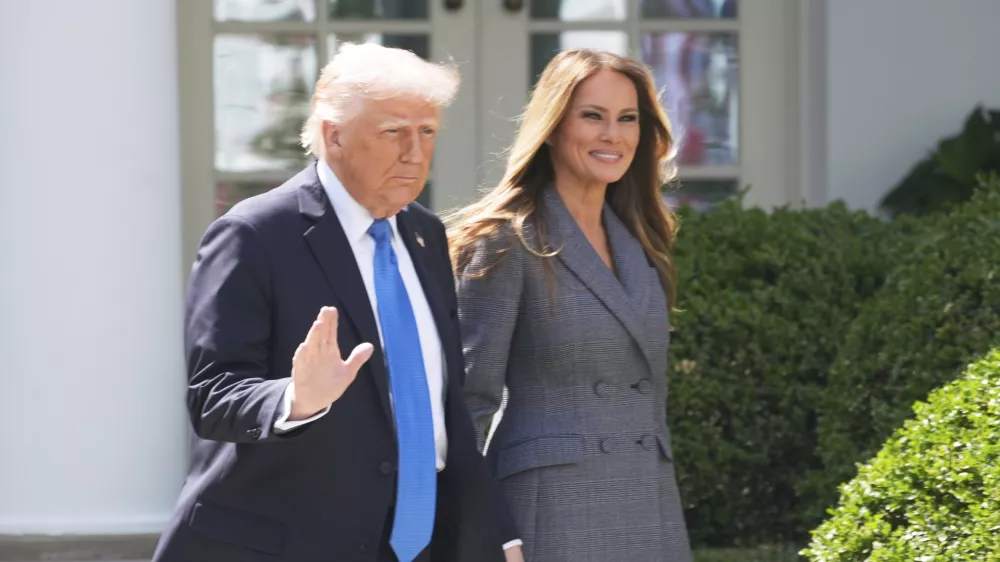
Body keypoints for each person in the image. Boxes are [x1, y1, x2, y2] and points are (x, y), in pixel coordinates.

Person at [153, 42, 522, 562]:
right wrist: (295, 399)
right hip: (286, 543)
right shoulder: (253, 234)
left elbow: (443, 405)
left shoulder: (425, 234)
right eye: (393, 132)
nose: (414, 153)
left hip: (417, 542)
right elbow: (212, 396)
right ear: (334, 135)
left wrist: (497, 533)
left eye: (427, 132)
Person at [446, 49, 694, 562]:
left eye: (628, 119)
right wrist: (483, 529)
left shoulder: (641, 240)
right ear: (554, 127)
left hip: (649, 506)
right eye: (593, 116)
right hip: (550, 513)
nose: (614, 135)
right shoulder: (506, 239)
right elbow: (468, 403)